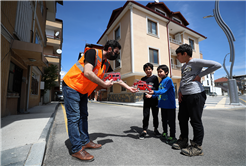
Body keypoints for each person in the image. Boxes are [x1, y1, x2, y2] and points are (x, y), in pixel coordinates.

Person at [62, 40, 137, 162]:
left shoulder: (106, 64)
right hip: (72, 86)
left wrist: (128, 87)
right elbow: (87, 72)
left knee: (83, 116)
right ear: (109, 49)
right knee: (74, 117)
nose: (116, 55)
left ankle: (85, 142)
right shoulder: (93, 53)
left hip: (82, 90)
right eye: (116, 52)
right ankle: (76, 149)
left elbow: (116, 78)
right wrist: (103, 84)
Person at [172, 44, 221, 156]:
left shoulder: (195, 61)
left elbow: (217, 65)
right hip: (184, 96)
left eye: (178, 55)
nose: (178, 58)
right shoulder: (184, 66)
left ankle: (197, 147)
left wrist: (200, 75)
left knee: (195, 121)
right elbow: (183, 79)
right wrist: (179, 92)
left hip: (195, 94)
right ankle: (183, 140)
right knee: (182, 118)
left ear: (185, 54)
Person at [146, 65, 177, 145]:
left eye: (161, 71)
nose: (159, 73)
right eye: (158, 72)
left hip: (170, 105)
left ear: (166, 72)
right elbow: (159, 92)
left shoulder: (169, 80)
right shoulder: (161, 82)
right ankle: (165, 133)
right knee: (164, 121)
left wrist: (154, 92)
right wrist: (152, 95)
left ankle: (172, 136)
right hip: (163, 105)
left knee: (171, 122)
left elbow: (164, 90)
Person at [139, 63, 160, 139]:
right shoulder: (143, 79)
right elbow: (141, 89)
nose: (148, 71)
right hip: (146, 100)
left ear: (152, 69)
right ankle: (144, 130)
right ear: (144, 71)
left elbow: (157, 89)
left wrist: (152, 94)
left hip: (154, 100)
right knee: (146, 115)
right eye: (146, 69)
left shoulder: (155, 78)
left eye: (149, 69)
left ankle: (156, 129)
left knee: (155, 115)